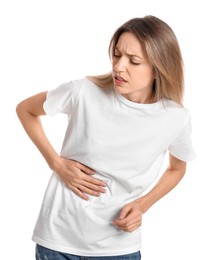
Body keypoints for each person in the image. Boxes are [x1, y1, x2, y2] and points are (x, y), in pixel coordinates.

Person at [16, 15, 195, 260]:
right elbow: (25, 109)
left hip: (119, 247)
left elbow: (177, 168)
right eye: (117, 54)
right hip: (58, 240)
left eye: (134, 61)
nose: (119, 66)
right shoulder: (83, 92)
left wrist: (144, 205)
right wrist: (56, 163)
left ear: (159, 68)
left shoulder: (175, 118)